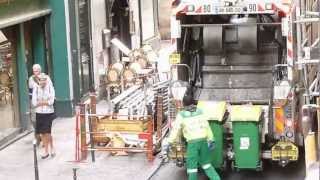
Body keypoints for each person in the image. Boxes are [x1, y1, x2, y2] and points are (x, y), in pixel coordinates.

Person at [167, 92, 221, 180]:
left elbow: (176, 129)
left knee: (192, 168)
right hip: (203, 141)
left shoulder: (182, 115)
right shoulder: (200, 112)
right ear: (193, 103)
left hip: (193, 144)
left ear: (184, 104)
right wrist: (211, 139)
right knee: (207, 164)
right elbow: (207, 126)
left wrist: (169, 141)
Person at [32, 73, 56, 159]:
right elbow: (34, 103)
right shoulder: (36, 88)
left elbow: (51, 102)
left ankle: (52, 147)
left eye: (44, 80)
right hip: (39, 113)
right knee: (42, 133)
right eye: (41, 80)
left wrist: (41, 102)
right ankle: (46, 151)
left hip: (48, 113)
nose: (42, 81)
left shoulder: (50, 88)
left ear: (47, 80)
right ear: (38, 80)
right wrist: (45, 101)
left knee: (48, 132)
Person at [28, 64, 52, 145]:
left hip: (45, 103)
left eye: (37, 71)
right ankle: (39, 136)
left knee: (44, 122)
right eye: (34, 71)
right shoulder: (31, 79)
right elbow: (31, 88)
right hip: (36, 103)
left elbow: (50, 87)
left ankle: (41, 139)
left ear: (40, 70)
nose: (35, 72)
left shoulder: (46, 77)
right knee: (34, 120)